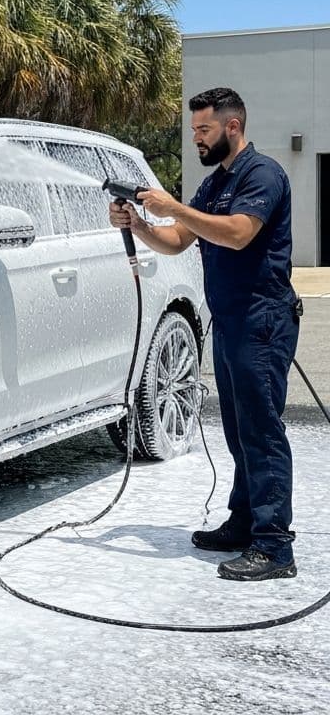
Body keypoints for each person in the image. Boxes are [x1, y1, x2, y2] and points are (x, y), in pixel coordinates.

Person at [109, 87, 300, 582]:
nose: (196, 138)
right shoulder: (215, 183)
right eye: (194, 130)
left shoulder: (263, 175)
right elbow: (177, 241)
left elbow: (237, 233)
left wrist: (174, 208)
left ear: (232, 126)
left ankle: (275, 546)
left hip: (263, 321)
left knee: (261, 432)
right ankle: (243, 524)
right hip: (232, 321)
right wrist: (140, 224)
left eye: (204, 130)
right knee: (238, 432)